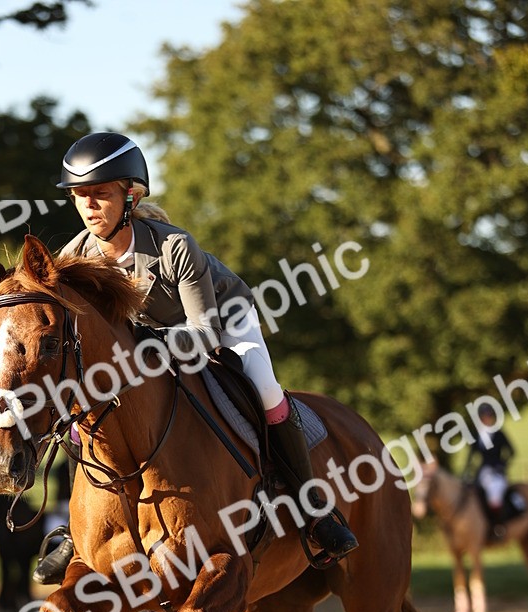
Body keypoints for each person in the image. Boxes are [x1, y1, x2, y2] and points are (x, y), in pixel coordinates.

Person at [33, 131, 358, 585]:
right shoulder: (76, 257)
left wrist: (150, 348)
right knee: (81, 409)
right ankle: (76, 530)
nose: (89, 206)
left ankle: (314, 508)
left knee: (265, 390)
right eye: (80, 196)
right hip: (147, 346)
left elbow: (204, 333)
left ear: (131, 196)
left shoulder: (173, 247)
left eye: (100, 195)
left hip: (225, 323)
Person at [464, 404, 522, 537]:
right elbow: (471, 456)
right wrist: (466, 471)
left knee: (495, 493)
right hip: (482, 472)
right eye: (483, 417)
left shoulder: (499, 434)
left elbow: (511, 451)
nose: (486, 419)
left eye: (488, 416)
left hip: (496, 472)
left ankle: (498, 525)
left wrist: (502, 465)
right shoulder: (476, 435)